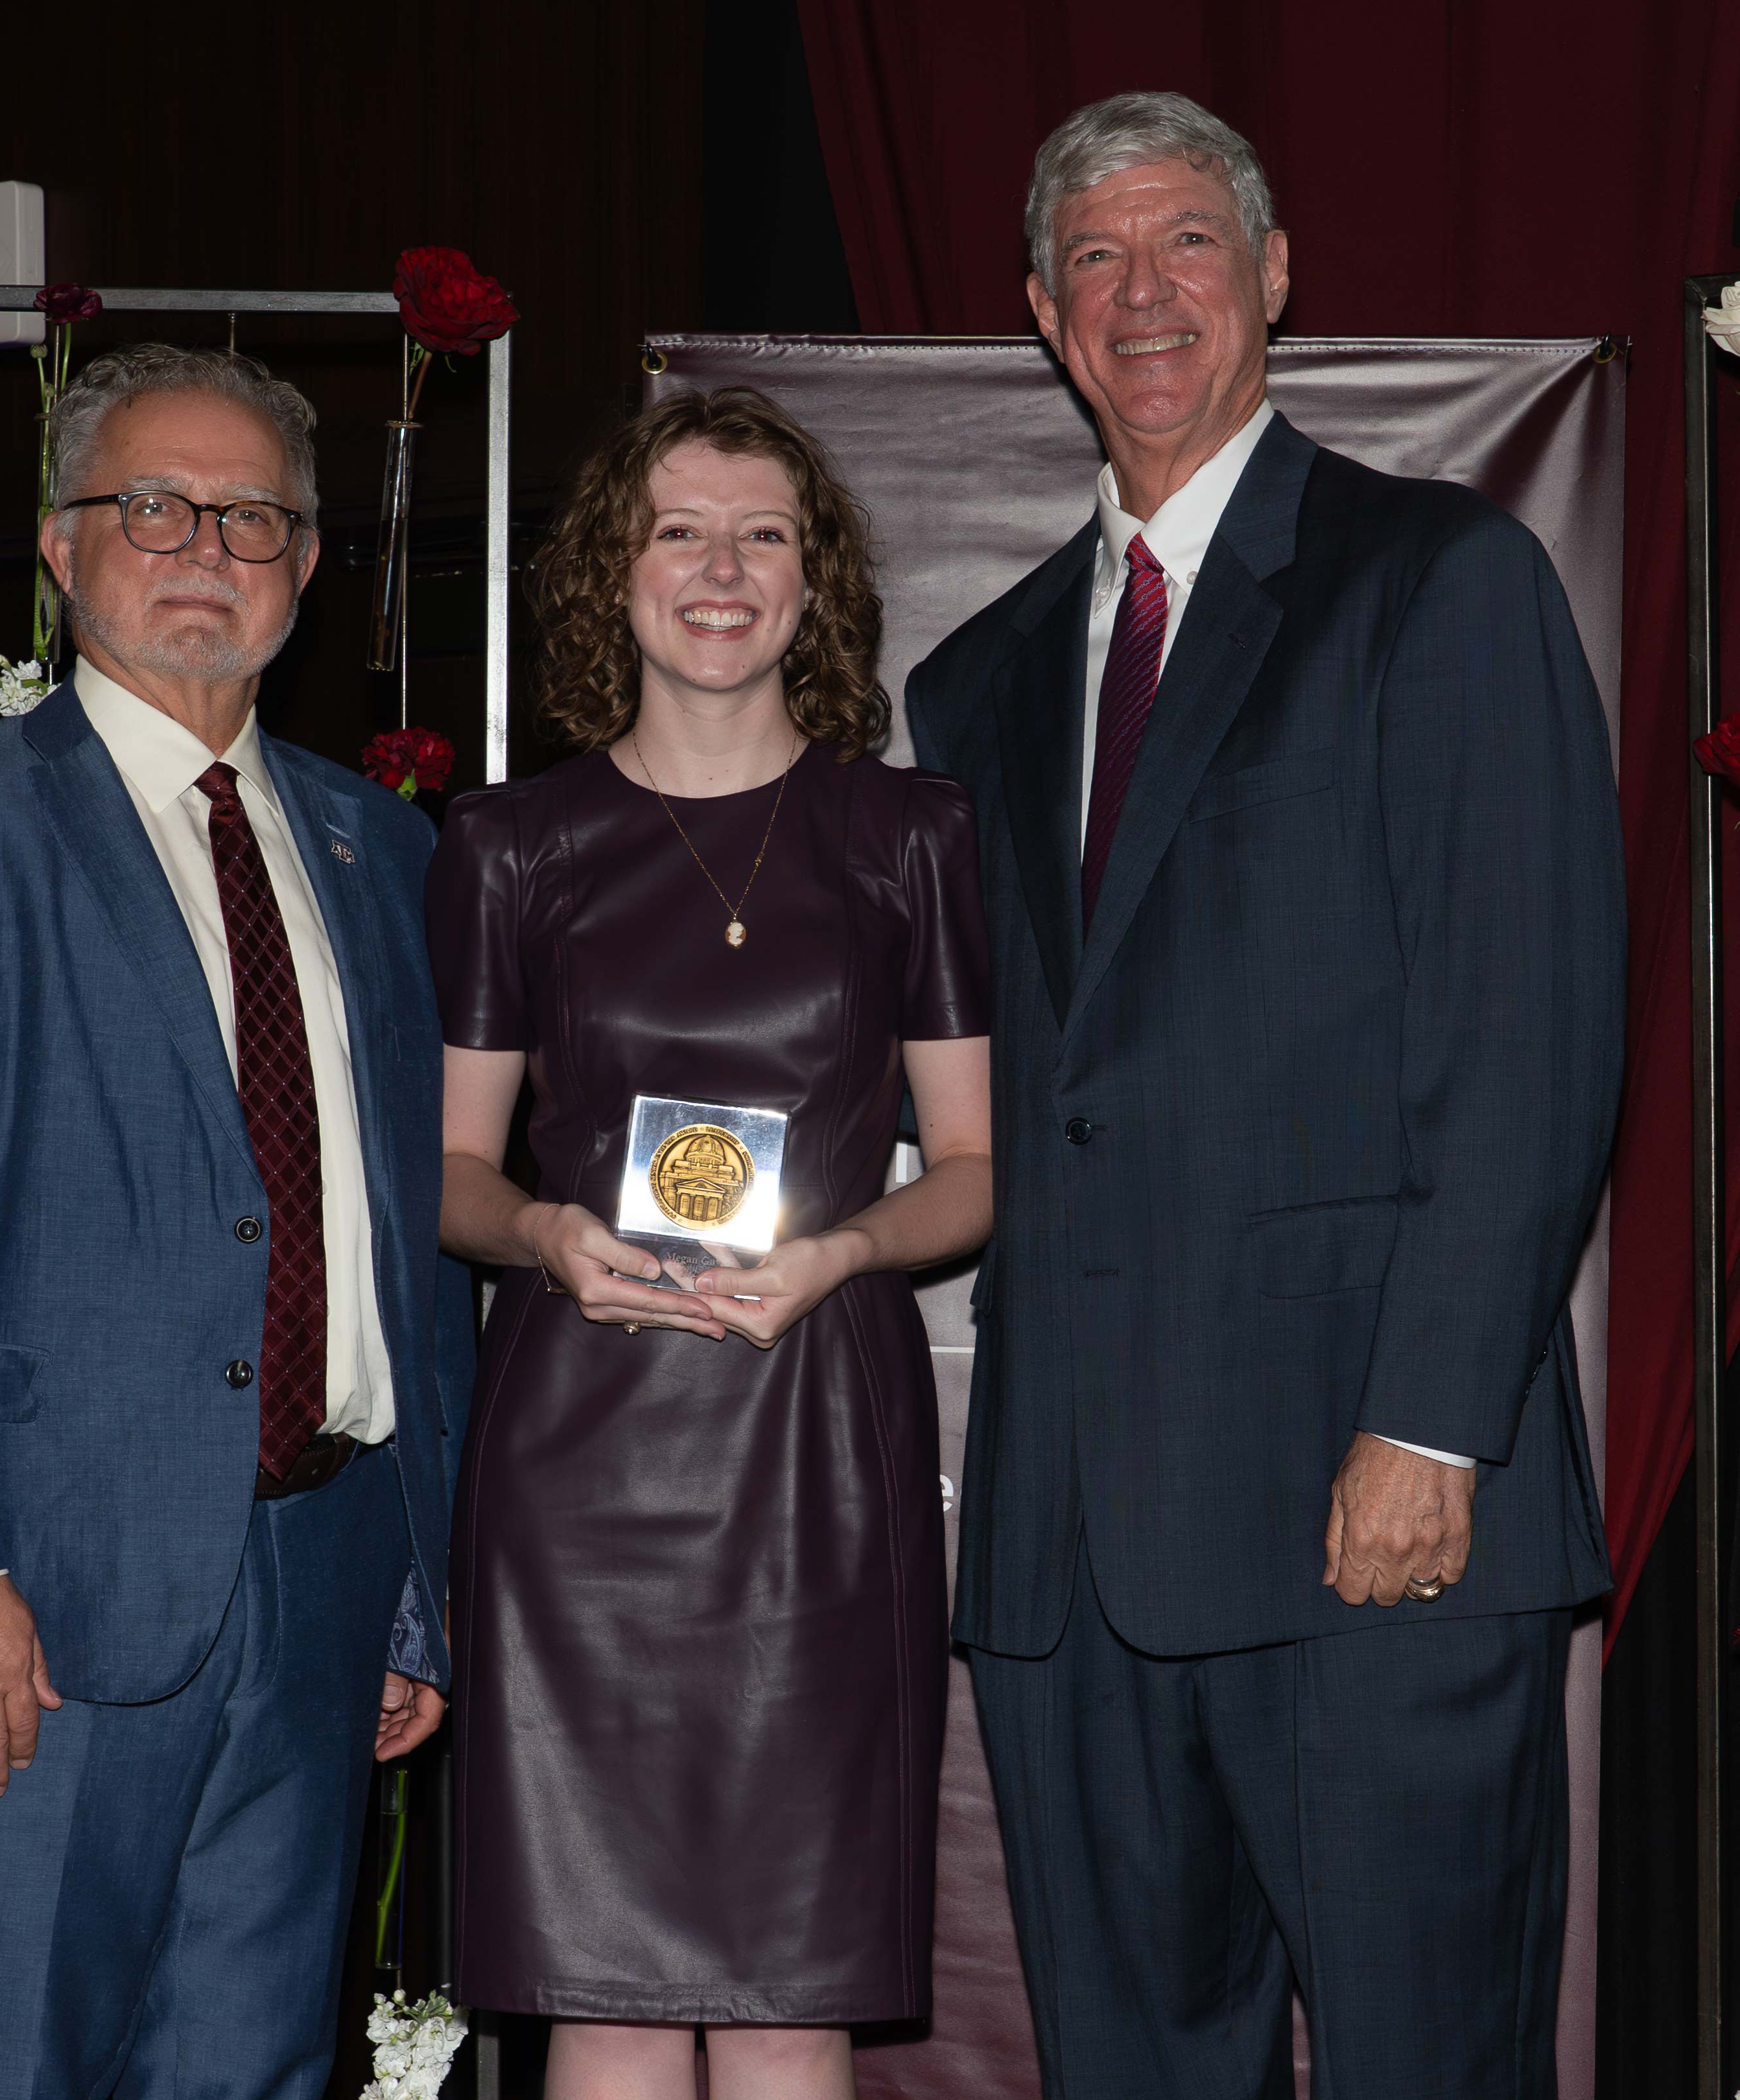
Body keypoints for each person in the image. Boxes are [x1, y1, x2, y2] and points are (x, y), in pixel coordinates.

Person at [906, 91, 1625, 2099]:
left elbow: (1536, 1035)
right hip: (1069, 1564)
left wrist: (1429, 1421)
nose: (1148, 298)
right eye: (1101, 264)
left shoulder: (1439, 583)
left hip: (1366, 1521)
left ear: (1277, 275)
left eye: (1191, 244)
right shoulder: (975, 682)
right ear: (1047, 315)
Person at [0, 343, 471, 2098]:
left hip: (322, 1579)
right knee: (18, 2063)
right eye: (149, 504)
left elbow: (405, 1227)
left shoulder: (380, 854)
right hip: (35, 1600)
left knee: (255, 2072)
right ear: (57, 547)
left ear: (310, 569)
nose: (205, 546)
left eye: (253, 517)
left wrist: (414, 1591)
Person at [428, 387, 992, 2100]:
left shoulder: (912, 838)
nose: (724, 568)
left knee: (786, 1989)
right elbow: (448, 1171)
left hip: (814, 1445)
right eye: (682, 529)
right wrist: (537, 1229)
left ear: (815, 585)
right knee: (600, 1990)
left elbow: (971, 1172)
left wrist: (842, 1254)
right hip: (576, 1461)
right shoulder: (511, 847)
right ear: (619, 574)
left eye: (766, 534)